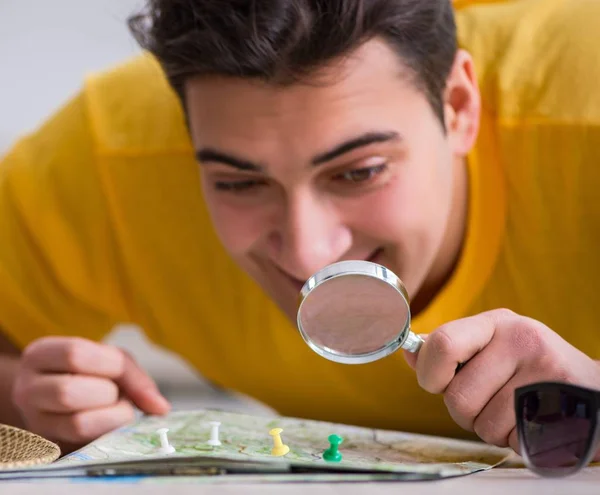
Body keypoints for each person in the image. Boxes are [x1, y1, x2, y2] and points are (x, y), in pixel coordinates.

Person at [0, 0, 599, 458]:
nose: (311, 252)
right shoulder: (105, 159)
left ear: (459, 108)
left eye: (360, 171)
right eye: (239, 183)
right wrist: (23, 398)